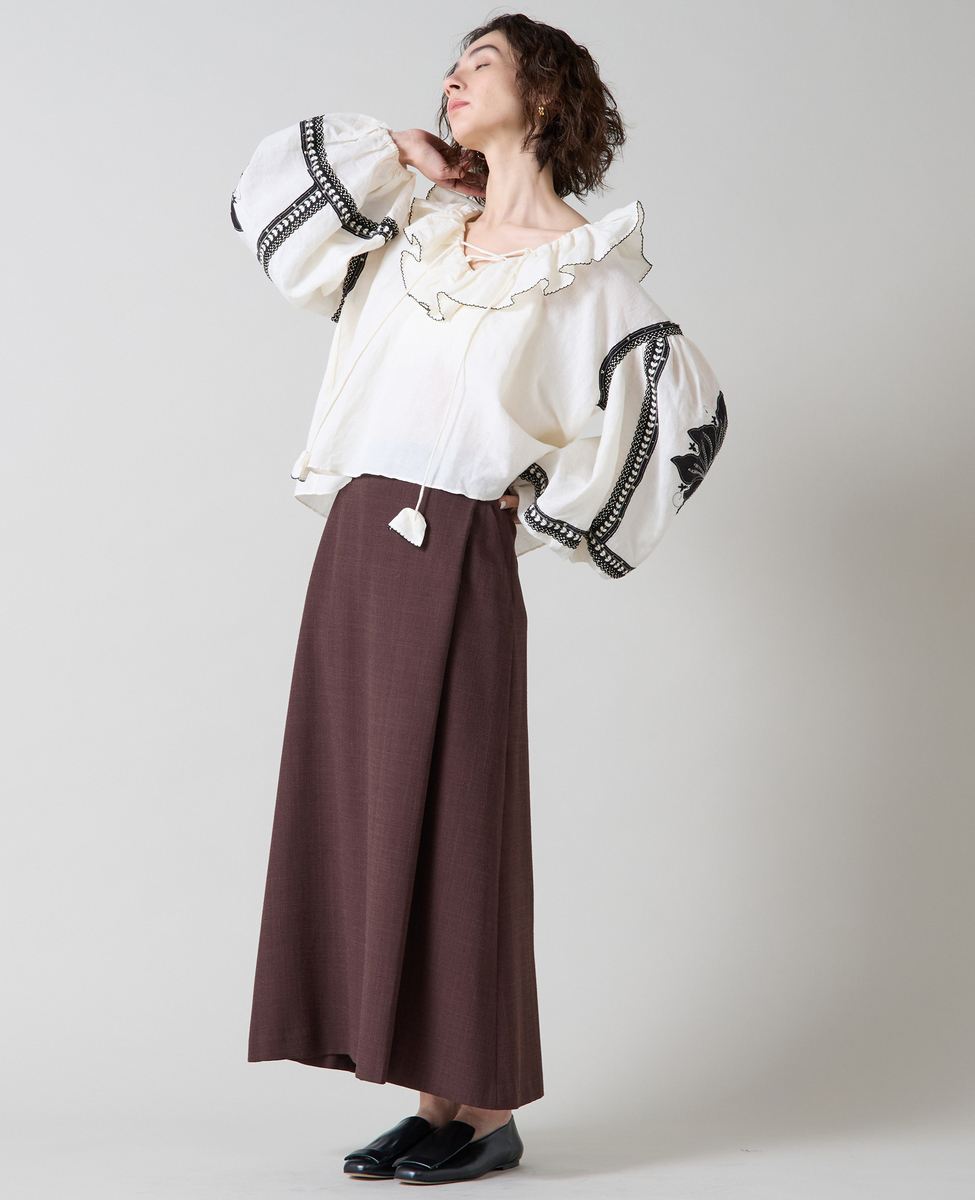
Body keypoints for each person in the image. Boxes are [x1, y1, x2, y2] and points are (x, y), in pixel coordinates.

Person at [230, 11, 727, 1186]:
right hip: (359, 540)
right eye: (449, 68)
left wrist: (546, 502)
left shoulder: (585, 274)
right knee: (365, 816)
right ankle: (431, 1104)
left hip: (457, 549)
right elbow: (267, 203)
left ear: (544, 96)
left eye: (482, 65)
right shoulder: (417, 232)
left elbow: (682, 411)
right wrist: (405, 151)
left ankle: (487, 1109)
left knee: (459, 824)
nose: (453, 81)